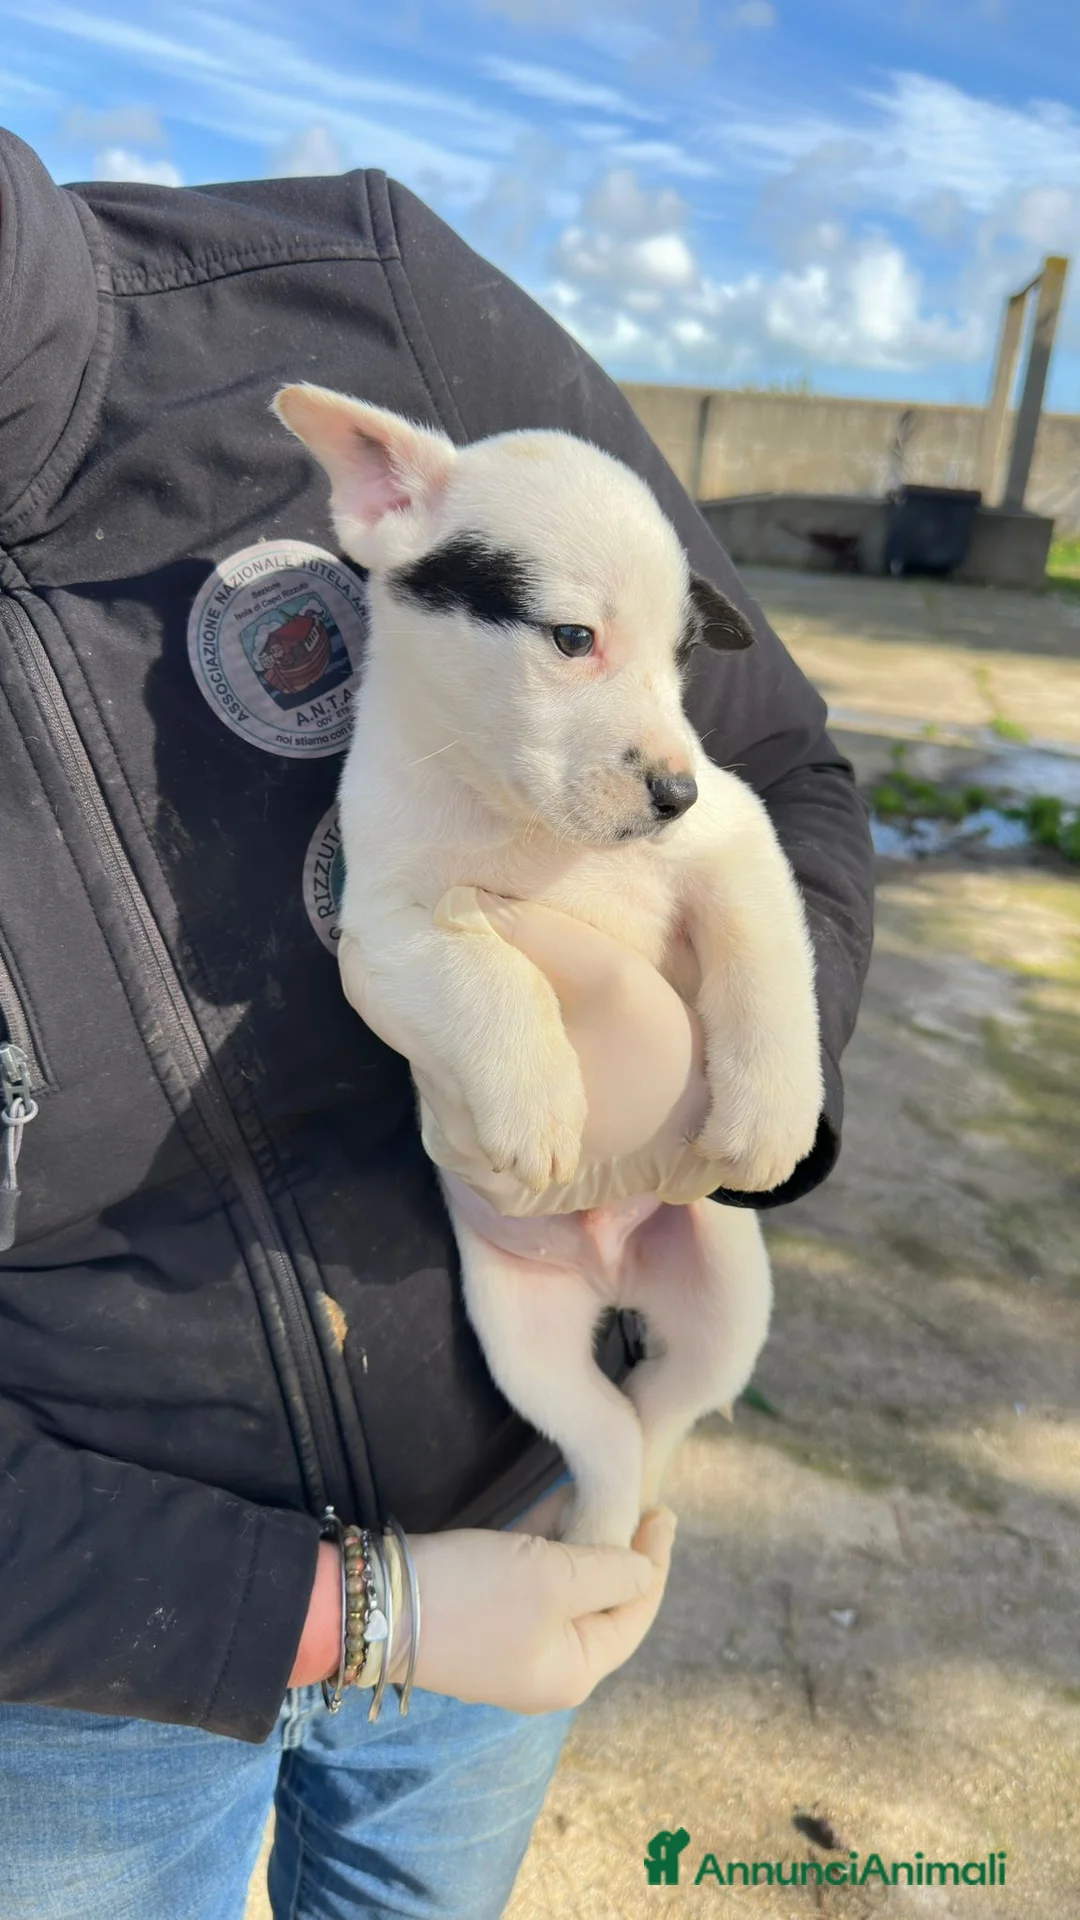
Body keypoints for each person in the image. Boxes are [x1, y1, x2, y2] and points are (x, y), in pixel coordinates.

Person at [0, 125, 875, 1920]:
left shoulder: (361, 289)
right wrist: (361, 1613)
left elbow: (761, 779)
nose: (648, 715)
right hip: (95, 1657)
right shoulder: (421, 570)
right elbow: (410, 925)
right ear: (376, 514)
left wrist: (733, 1087)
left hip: (501, 1499)